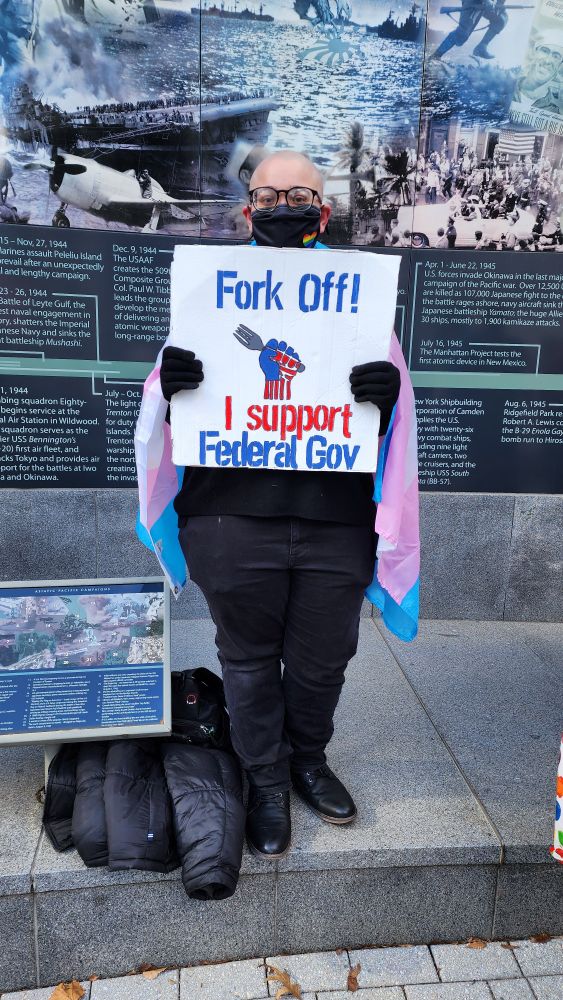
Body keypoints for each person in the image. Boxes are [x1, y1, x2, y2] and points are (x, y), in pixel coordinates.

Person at [154, 151, 406, 862]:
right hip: (230, 516)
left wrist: (383, 404)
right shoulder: (210, 295)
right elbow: (166, 422)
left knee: (324, 659)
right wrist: (173, 390)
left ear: (322, 212)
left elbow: (393, 430)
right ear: (247, 209)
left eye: (298, 193)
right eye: (267, 194)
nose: (281, 204)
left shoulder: (359, 299)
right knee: (248, 659)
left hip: (335, 516)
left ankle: (307, 759)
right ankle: (264, 779)